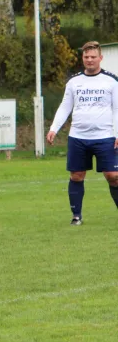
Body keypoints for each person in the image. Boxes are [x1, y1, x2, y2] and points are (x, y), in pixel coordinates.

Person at [46, 41, 118, 226]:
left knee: (113, 176)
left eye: (93, 57)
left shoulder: (111, 81)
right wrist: (54, 128)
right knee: (77, 175)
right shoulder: (74, 82)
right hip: (78, 137)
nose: (90, 60)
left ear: (100, 58)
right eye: (86, 57)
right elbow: (65, 107)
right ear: (82, 59)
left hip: (106, 137)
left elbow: (117, 109)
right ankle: (76, 216)